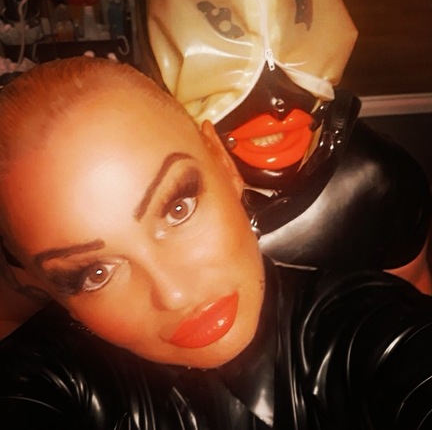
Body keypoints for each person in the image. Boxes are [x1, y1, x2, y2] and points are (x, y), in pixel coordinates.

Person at [1, 57, 432, 429]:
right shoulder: (46, 377)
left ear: (223, 163)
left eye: (177, 208)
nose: (173, 294)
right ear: (48, 290)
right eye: (95, 273)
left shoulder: (373, 329)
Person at [136, 0, 432, 292]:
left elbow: (413, 295)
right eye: (214, 66)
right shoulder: (138, 191)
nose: (276, 102)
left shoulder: (381, 183)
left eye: (296, 45)